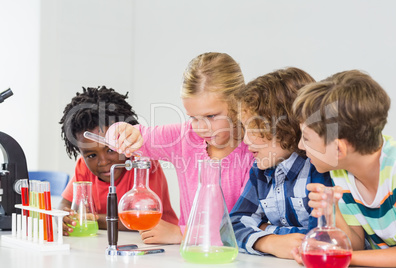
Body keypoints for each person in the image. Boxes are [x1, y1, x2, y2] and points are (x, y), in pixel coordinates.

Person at [104, 52, 254, 244]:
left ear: (237, 104)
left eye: (211, 116)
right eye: (193, 117)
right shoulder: (184, 137)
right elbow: (119, 134)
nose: (201, 128)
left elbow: (242, 228)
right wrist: (122, 132)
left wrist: (180, 233)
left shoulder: (253, 151)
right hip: (189, 257)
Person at [291, 70, 396, 267]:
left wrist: (342, 257)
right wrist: (332, 210)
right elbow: (356, 244)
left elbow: (352, 254)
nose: (300, 146)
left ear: (338, 149)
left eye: (306, 138)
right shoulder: (341, 171)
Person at [229, 67, 332, 259]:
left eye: (254, 129)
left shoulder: (320, 170)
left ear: (288, 127)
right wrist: (268, 242)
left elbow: (321, 239)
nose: (245, 140)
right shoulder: (261, 170)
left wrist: (265, 227)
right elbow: (233, 224)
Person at [59, 86, 178, 236]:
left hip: (160, 245)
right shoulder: (83, 166)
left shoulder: (143, 163)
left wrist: (92, 219)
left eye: (111, 150)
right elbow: (65, 204)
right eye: (91, 155)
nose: (103, 162)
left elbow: (140, 220)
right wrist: (64, 218)